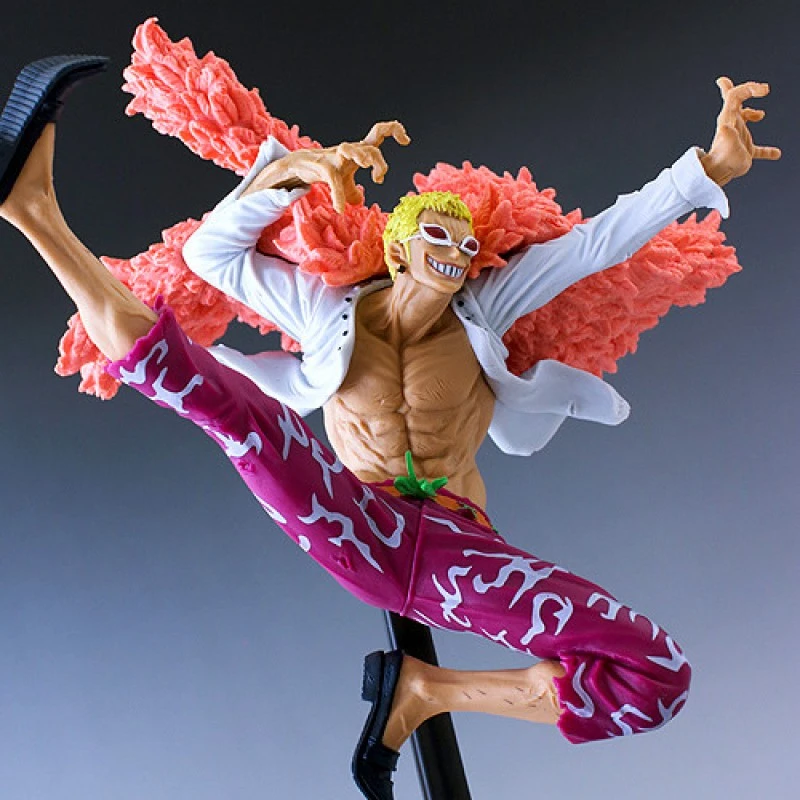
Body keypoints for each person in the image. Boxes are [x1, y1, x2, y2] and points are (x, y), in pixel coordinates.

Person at [0, 55, 780, 800]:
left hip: (459, 545)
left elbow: (597, 242)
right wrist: (296, 175)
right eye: (437, 237)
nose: (455, 253)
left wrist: (705, 170)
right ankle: (35, 213)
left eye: (466, 245)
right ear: (399, 247)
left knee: (655, 674)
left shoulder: (484, 311)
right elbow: (215, 253)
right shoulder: (326, 312)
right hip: (362, 524)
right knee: (230, 409)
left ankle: (426, 692)